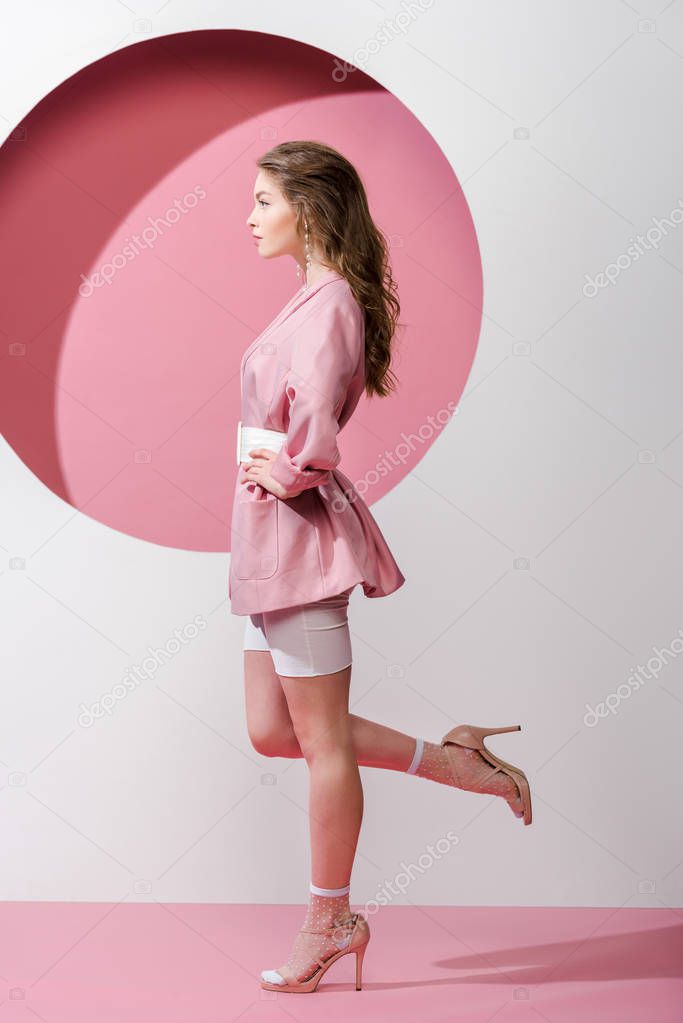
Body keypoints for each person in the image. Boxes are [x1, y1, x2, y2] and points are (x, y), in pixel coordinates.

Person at [230, 140, 533, 994]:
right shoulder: (309, 299)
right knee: (273, 729)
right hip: (266, 538)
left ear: (309, 209)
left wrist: (282, 469)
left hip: (296, 538)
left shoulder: (328, 307)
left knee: (321, 740)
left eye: (261, 201)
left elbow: (316, 431)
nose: (248, 218)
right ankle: (456, 761)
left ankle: (330, 919)